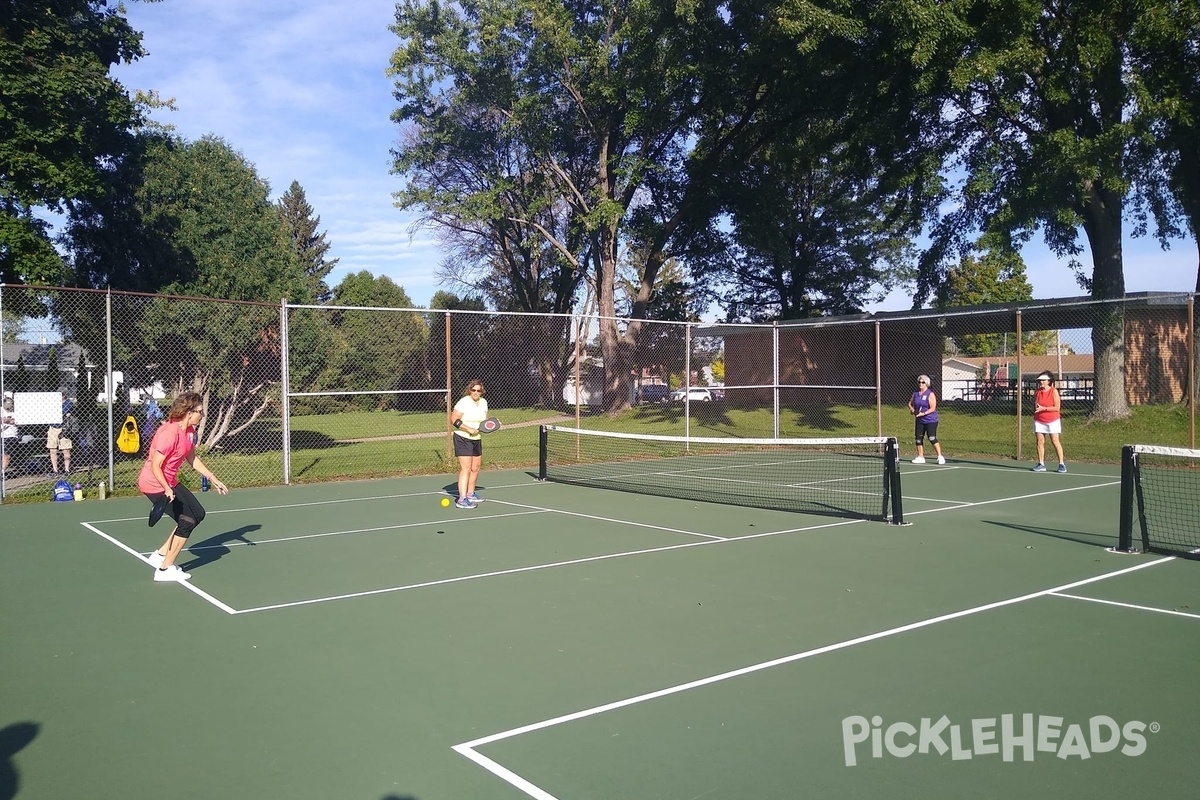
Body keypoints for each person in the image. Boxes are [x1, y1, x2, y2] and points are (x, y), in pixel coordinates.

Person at [138, 392, 229, 583]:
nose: (202, 415)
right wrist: (167, 489)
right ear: (189, 412)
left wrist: (212, 477)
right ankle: (164, 570)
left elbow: (192, 458)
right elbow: (155, 465)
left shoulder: (190, 433)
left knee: (198, 514)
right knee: (187, 520)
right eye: (200, 412)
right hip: (154, 483)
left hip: (169, 481)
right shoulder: (169, 433)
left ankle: (160, 555)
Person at [449, 379, 487, 509]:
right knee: (466, 468)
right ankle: (462, 499)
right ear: (469, 390)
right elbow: (453, 419)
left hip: (477, 438)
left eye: (478, 390)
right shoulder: (464, 402)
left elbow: (484, 421)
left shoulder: (483, 403)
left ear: (482, 391)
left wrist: (493, 424)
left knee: (475, 468)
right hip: (463, 438)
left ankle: (470, 494)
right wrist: (468, 428)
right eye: (473, 390)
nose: (476, 392)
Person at [1032, 371, 1066, 473]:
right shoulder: (1037, 392)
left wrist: (1044, 408)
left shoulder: (1054, 391)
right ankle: (1041, 464)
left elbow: (1057, 407)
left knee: (1055, 441)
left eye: (1043, 380)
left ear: (1049, 381)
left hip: (1053, 420)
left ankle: (1061, 464)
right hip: (1039, 420)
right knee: (1039, 442)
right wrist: (1038, 410)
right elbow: (1036, 404)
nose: (1041, 382)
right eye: (1040, 380)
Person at [907, 374, 945, 465]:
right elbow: (909, 403)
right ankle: (920, 456)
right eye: (919, 382)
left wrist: (923, 413)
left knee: (931, 437)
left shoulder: (930, 394)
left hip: (930, 420)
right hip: (919, 420)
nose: (920, 384)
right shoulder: (915, 394)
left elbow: (932, 408)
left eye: (923, 382)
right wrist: (912, 409)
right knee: (918, 438)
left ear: (926, 384)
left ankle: (940, 456)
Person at [47, 391, 74, 475]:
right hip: (53, 427)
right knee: (52, 450)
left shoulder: (68, 403)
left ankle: (67, 470)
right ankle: (55, 470)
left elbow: (63, 411)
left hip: (64, 428)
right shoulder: (52, 402)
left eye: (62, 395)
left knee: (66, 450)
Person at [2, 397, 17, 474]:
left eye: (10, 404)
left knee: (6, 456)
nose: (8, 406)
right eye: (7, 404)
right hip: (1, 435)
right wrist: (7, 420)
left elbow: (18, 421)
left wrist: (7, 420)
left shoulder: (15, 411)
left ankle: (2, 472)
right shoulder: (1, 410)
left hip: (10, 436)